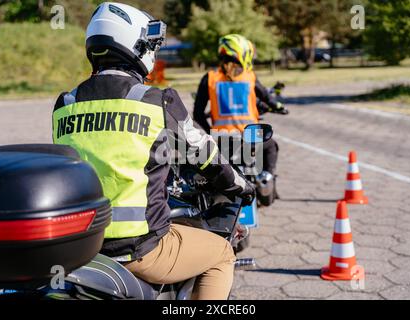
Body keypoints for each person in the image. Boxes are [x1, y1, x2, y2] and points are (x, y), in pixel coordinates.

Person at [51, 2, 254, 300]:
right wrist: (240, 184)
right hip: (138, 249)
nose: (152, 53)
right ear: (134, 44)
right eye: (150, 45)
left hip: (81, 246)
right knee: (222, 253)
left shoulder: (65, 104)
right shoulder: (156, 100)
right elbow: (205, 154)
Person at [193, 34, 282, 176]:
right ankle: (267, 177)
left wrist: (211, 134)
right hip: (251, 136)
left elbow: (197, 114)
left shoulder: (210, 78)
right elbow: (266, 96)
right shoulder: (249, 76)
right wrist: (278, 105)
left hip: (222, 139)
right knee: (271, 146)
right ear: (241, 53)